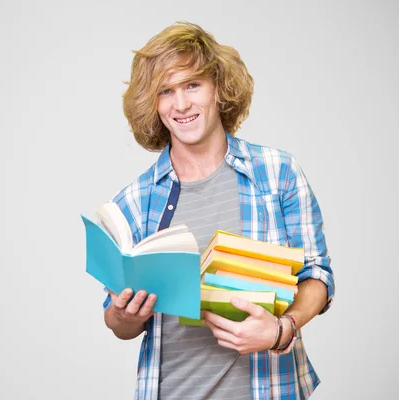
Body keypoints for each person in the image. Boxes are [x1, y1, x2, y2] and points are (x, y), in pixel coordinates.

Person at [101, 21, 335, 400]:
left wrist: (281, 329)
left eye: (193, 85)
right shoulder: (135, 200)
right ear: (154, 103)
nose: (181, 104)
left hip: (268, 389)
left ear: (218, 89)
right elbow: (117, 322)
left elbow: (318, 276)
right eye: (166, 91)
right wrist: (124, 316)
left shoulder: (277, 174)